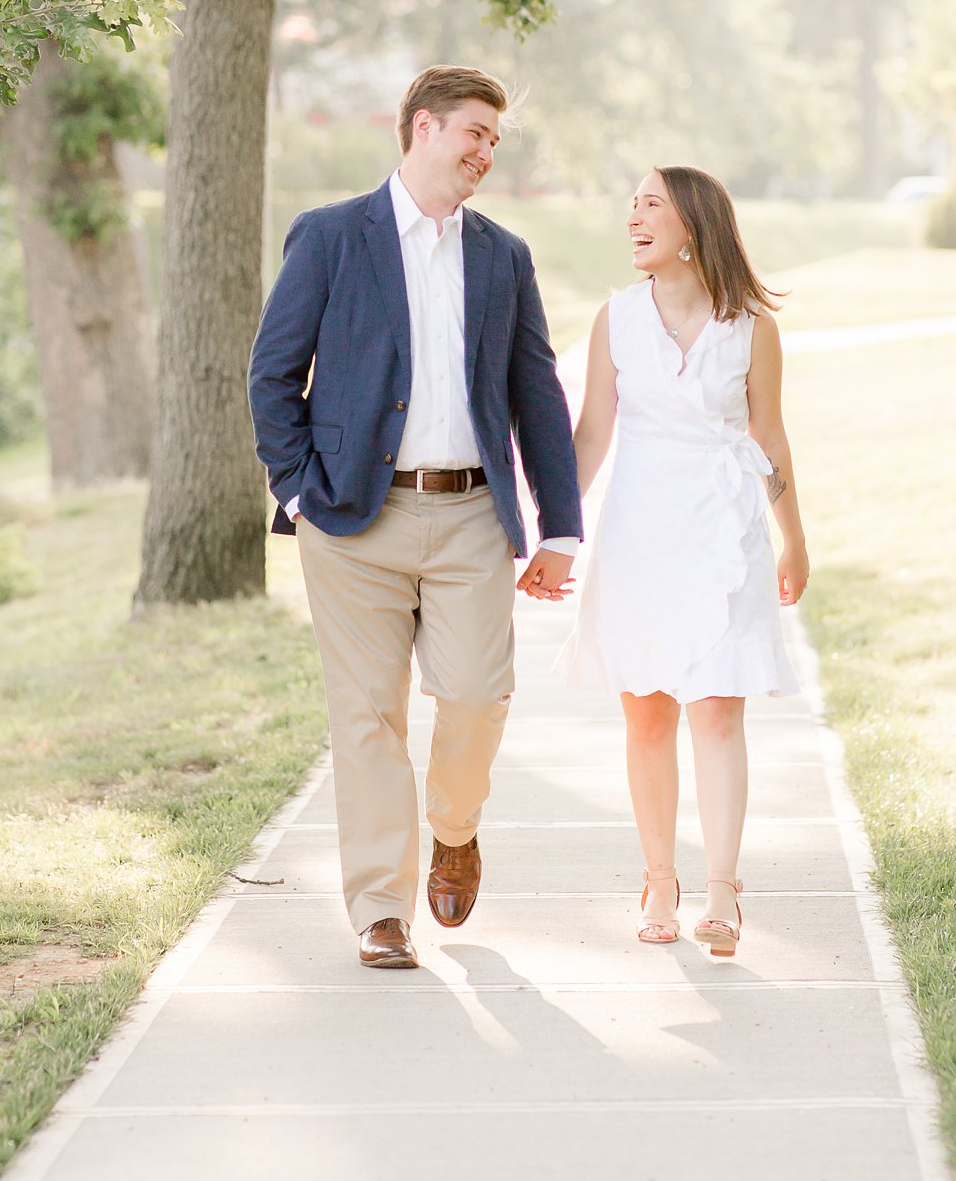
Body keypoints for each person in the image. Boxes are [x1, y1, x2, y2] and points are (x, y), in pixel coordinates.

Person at [248, 65, 582, 971]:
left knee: (476, 693)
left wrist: (559, 526)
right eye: (474, 131)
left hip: (474, 512)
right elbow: (272, 374)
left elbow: (536, 392)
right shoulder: (329, 237)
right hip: (353, 519)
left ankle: (455, 827)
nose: (485, 151)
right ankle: (381, 908)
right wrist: (298, 489)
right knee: (366, 717)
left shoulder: (502, 255)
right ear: (422, 127)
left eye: (494, 140)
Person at [553, 165, 810, 956]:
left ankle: (722, 890)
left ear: (692, 224)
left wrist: (794, 535)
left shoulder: (752, 327)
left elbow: (769, 437)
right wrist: (556, 530)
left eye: (652, 203)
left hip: (724, 532)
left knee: (718, 708)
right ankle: (658, 877)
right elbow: (593, 432)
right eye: (630, 202)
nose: (634, 214)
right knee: (648, 711)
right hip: (639, 530)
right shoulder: (616, 318)